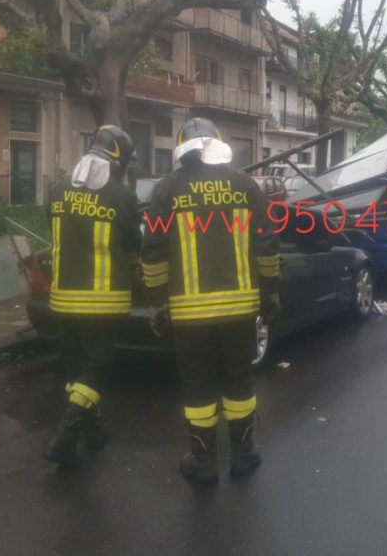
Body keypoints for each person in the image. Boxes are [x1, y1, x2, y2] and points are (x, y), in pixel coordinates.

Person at [141, 117, 280, 485]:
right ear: (218, 142)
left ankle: (203, 462)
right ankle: (243, 454)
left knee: (198, 387)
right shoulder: (245, 185)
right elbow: (267, 243)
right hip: (240, 310)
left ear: (183, 146)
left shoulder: (167, 189)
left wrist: (157, 303)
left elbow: (152, 251)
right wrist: (270, 292)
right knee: (239, 380)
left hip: (189, 316)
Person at [43, 124, 142, 467]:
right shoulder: (122, 197)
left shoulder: (57, 190)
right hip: (103, 300)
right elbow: (133, 243)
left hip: (63, 299)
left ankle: (93, 429)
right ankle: (65, 436)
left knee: (75, 371)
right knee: (95, 370)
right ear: (117, 160)